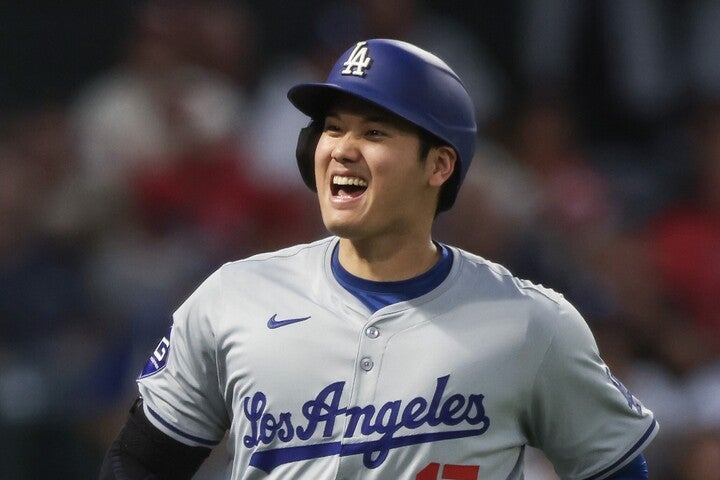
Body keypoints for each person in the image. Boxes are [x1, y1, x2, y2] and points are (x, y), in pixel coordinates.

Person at [99, 39, 657, 479]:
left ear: (438, 166)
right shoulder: (232, 299)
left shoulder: (532, 324)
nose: (341, 148)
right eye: (332, 128)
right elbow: (140, 463)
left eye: (373, 132)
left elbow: (615, 469)